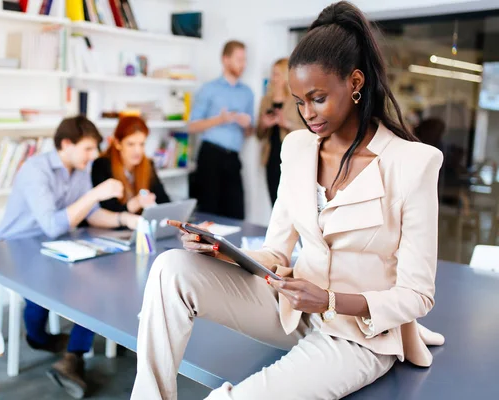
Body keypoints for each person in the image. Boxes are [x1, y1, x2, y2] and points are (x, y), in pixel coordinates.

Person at [131, 2, 445, 399]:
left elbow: (418, 296)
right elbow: (276, 251)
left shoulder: (414, 163)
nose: (307, 114)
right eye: (299, 101)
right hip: (293, 309)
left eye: (317, 98)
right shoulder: (297, 148)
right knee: (170, 267)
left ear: (355, 82)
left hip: (359, 336)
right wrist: (223, 253)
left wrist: (329, 299)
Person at [0, 115, 139, 399]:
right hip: (16, 245)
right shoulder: (35, 170)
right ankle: (39, 338)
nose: (93, 155)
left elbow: (90, 213)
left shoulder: (80, 168)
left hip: (54, 244)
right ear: (66, 144)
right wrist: (96, 193)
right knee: (43, 289)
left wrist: (124, 217)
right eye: (87, 149)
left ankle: (73, 358)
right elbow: (52, 223)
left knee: (95, 279)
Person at [188, 40, 254, 220]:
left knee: (236, 213)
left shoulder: (247, 92)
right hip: (210, 156)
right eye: (239, 59)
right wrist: (220, 119)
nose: (244, 64)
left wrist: (247, 125)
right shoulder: (209, 89)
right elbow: (192, 126)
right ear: (226, 60)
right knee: (208, 213)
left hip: (232, 158)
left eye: (244, 60)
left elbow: (250, 132)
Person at [91, 115, 170, 213]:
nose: (138, 151)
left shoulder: (148, 164)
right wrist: (133, 205)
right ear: (117, 143)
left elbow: (164, 202)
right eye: (131, 144)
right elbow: (104, 211)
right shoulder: (102, 165)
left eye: (142, 144)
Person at [257, 57, 305, 206]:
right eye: (273, 74)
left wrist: (287, 123)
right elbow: (259, 134)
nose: (273, 78)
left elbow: (309, 131)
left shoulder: (298, 100)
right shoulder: (266, 100)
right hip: (271, 158)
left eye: (277, 74)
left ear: (286, 75)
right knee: (275, 203)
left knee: (292, 204)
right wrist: (264, 124)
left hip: (292, 158)